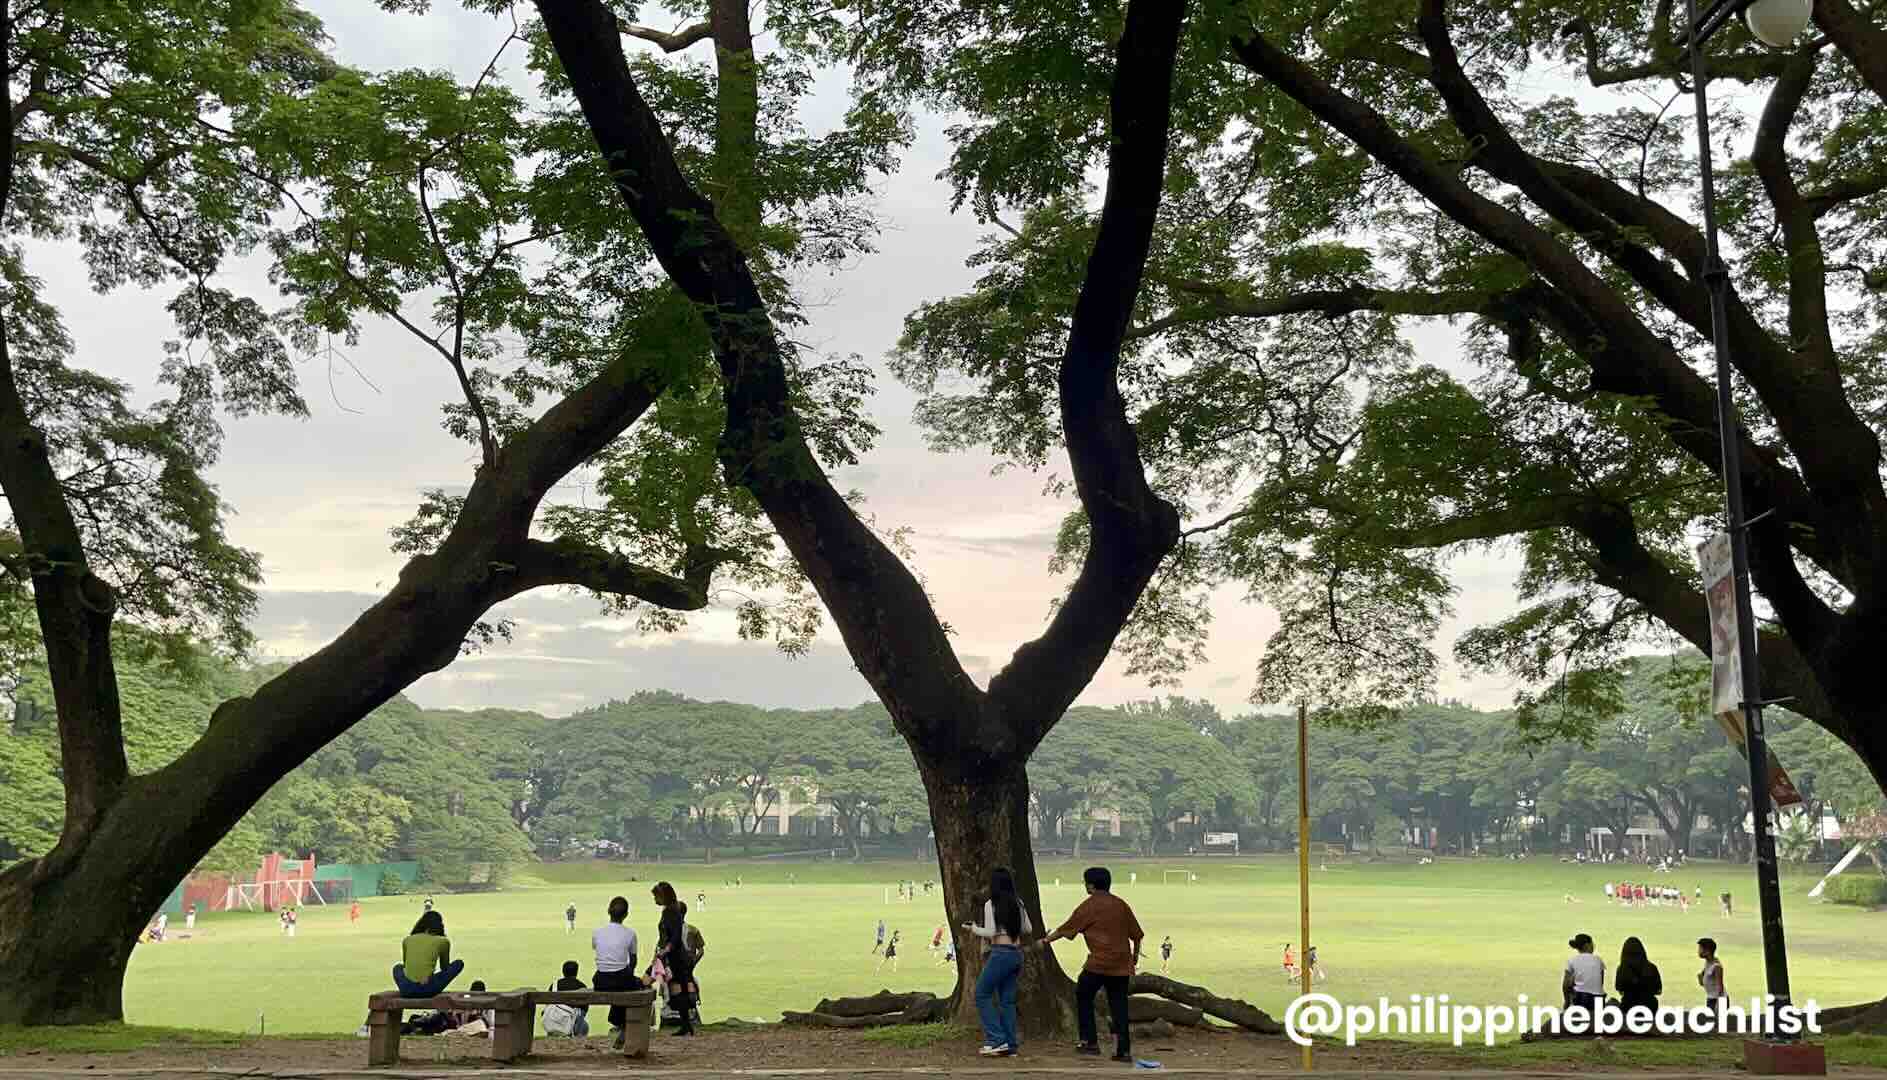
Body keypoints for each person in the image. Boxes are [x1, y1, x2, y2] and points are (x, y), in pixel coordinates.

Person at [1037, 867, 1143, 1063]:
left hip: (1099, 963)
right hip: (1121, 963)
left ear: (1091, 885)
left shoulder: (1089, 906)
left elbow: (1066, 929)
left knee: (1083, 994)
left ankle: (1089, 1042)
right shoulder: (1121, 905)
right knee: (1119, 1005)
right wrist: (1134, 957)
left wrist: (1045, 941)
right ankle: (1123, 1050)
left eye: (1086, 882)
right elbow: (1137, 935)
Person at [965, 866, 1031, 1057]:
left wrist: (974, 928)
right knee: (1007, 1001)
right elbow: (1028, 928)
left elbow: (990, 932)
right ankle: (1010, 1045)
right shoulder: (1018, 903)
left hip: (1000, 953)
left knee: (981, 993)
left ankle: (996, 1039)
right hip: (1016, 954)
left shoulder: (990, 904)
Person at [592, 895, 639, 1049]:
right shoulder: (630, 933)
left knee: (619, 984)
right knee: (632, 985)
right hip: (620, 978)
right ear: (626, 914)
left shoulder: (597, 932)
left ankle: (618, 1023)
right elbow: (633, 960)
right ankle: (622, 1025)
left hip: (600, 981)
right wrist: (629, 975)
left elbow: (599, 952)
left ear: (608, 912)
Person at [652, 882, 699, 1036]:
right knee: (680, 990)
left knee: (677, 990)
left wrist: (665, 951)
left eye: (656, 896)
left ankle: (686, 1024)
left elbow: (675, 937)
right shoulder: (672, 910)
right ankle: (686, 1024)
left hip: (675, 957)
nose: (654, 900)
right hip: (676, 956)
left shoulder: (670, 912)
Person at [393, 910, 465, 997]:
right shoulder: (443, 941)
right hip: (428, 989)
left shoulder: (407, 940)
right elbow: (444, 968)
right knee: (459, 963)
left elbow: (406, 966)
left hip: (406, 989)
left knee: (397, 967)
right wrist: (431, 976)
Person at [1615, 936, 1662, 1020]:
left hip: (1629, 1006)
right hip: (1649, 1006)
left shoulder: (1622, 969)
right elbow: (1658, 991)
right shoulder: (1651, 967)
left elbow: (1619, 989)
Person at [1562, 933, 1604, 1025]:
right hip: (1598, 999)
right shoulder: (1598, 960)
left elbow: (1565, 985)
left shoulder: (1572, 960)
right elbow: (1600, 983)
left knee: (1572, 984)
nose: (1593, 946)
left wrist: (1566, 1002)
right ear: (1587, 945)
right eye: (1592, 944)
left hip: (1581, 998)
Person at [543, 959, 591, 1038]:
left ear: (563, 971)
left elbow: (547, 1004)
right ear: (576, 972)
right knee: (584, 1025)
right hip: (572, 1023)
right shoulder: (581, 986)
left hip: (553, 1019)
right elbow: (584, 1010)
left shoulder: (554, 985)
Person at [1697, 938, 1726, 1004]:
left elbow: (1720, 988)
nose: (1698, 951)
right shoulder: (1708, 962)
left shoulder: (1716, 967)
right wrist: (1700, 978)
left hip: (1718, 1000)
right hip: (1710, 998)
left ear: (1707, 951)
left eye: (1700, 949)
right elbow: (1705, 984)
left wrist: (1718, 1005)